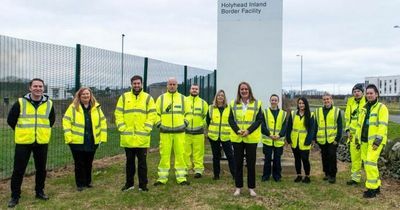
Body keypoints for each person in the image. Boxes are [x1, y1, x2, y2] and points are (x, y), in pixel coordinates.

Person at [6, 78, 55, 208]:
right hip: (23, 142)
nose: (38, 89)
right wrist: (22, 132)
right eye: (35, 86)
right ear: (30, 88)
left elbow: (51, 121)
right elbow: (11, 120)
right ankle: (15, 196)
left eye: (40, 86)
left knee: (41, 169)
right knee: (18, 170)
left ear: (43, 89)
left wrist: (41, 132)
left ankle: (40, 192)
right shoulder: (20, 103)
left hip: (41, 141)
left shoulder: (49, 104)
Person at [115, 75, 156, 192]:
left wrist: (147, 128)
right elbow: (118, 113)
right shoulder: (124, 97)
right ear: (131, 84)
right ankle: (129, 184)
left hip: (142, 138)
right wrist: (121, 127)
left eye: (138, 83)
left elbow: (152, 114)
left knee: (142, 164)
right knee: (129, 163)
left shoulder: (148, 98)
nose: (136, 85)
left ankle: (143, 185)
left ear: (141, 84)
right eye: (134, 83)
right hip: (128, 137)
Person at [63, 87, 107, 191]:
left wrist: (102, 138)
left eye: (87, 94)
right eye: (83, 94)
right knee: (79, 163)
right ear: (79, 96)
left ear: (91, 95)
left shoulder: (96, 107)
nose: (86, 96)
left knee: (89, 162)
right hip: (76, 141)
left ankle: (88, 182)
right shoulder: (73, 107)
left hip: (91, 140)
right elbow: (66, 121)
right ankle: (80, 184)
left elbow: (103, 122)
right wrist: (69, 138)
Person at [228, 82, 263, 197]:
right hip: (237, 138)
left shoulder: (257, 103)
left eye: (246, 89)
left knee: (251, 164)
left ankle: (251, 188)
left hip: (251, 138)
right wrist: (238, 130)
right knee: (238, 163)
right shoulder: (233, 103)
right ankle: (238, 188)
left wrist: (248, 131)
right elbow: (231, 120)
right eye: (241, 89)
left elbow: (259, 120)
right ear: (239, 91)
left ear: (249, 90)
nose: (244, 91)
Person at [154, 77, 190, 186]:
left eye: (174, 84)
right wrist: (159, 124)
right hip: (165, 132)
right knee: (164, 155)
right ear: (167, 85)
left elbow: (189, 113)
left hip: (180, 132)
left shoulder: (183, 99)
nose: (172, 86)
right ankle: (162, 178)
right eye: (170, 84)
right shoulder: (161, 99)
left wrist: (185, 124)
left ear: (177, 85)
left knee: (180, 154)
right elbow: (155, 114)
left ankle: (181, 177)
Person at [354, 84, 388, 198]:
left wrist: (377, 141)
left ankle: (372, 189)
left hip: (374, 142)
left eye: (371, 93)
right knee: (368, 164)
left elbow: (383, 126)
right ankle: (376, 186)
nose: (369, 95)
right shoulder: (364, 108)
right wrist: (357, 140)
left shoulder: (381, 108)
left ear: (376, 94)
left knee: (370, 163)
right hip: (364, 141)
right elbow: (359, 126)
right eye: (367, 93)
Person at [206, 89, 235, 180]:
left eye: (222, 95)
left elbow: (232, 121)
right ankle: (216, 175)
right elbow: (208, 121)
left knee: (230, 156)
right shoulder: (211, 108)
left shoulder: (229, 108)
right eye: (218, 95)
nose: (220, 97)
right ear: (216, 97)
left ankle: (234, 174)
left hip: (226, 136)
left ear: (224, 97)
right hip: (214, 136)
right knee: (216, 156)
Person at [314, 93, 342, 184]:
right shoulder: (318, 111)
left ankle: (332, 175)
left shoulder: (336, 111)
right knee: (324, 157)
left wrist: (337, 139)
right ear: (323, 100)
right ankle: (326, 173)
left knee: (332, 157)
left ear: (331, 99)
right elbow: (315, 125)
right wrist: (315, 138)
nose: (326, 101)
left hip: (332, 139)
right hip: (322, 139)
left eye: (328, 99)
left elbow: (340, 126)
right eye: (324, 99)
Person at [286, 97, 314, 184]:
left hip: (305, 141)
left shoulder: (310, 115)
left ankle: (307, 176)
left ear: (306, 104)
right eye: (300, 103)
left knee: (305, 159)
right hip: (295, 141)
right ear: (298, 104)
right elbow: (289, 127)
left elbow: (311, 129)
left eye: (303, 103)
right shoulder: (293, 114)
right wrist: (288, 138)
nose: (301, 105)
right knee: (297, 159)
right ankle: (299, 175)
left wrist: (309, 140)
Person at [261, 94, 287, 182]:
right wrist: (269, 135)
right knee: (267, 159)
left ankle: (277, 176)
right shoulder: (265, 112)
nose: (274, 102)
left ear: (278, 102)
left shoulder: (283, 113)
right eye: (272, 100)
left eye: (275, 100)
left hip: (278, 141)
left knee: (277, 160)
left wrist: (279, 135)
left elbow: (284, 127)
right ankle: (265, 176)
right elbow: (262, 125)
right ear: (270, 101)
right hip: (268, 140)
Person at [184, 84, 208, 178]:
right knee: (185, 152)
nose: (194, 90)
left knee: (198, 152)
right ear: (190, 90)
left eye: (196, 89)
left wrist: (202, 123)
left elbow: (207, 116)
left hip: (199, 132)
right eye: (193, 89)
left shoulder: (203, 103)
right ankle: (186, 169)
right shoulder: (184, 101)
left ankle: (198, 170)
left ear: (199, 91)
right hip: (186, 131)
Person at [345, 83, 366, 185]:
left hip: (364, 135)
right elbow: (347, 118)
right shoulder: (350, 102)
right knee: (355, 158)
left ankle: (371, 180)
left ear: (362, 92)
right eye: (355, 91)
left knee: (367, 159)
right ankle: (355, 179)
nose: (356, 93)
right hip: (353, 136)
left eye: (358, 91)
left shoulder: (367, 101)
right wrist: (347, 130)